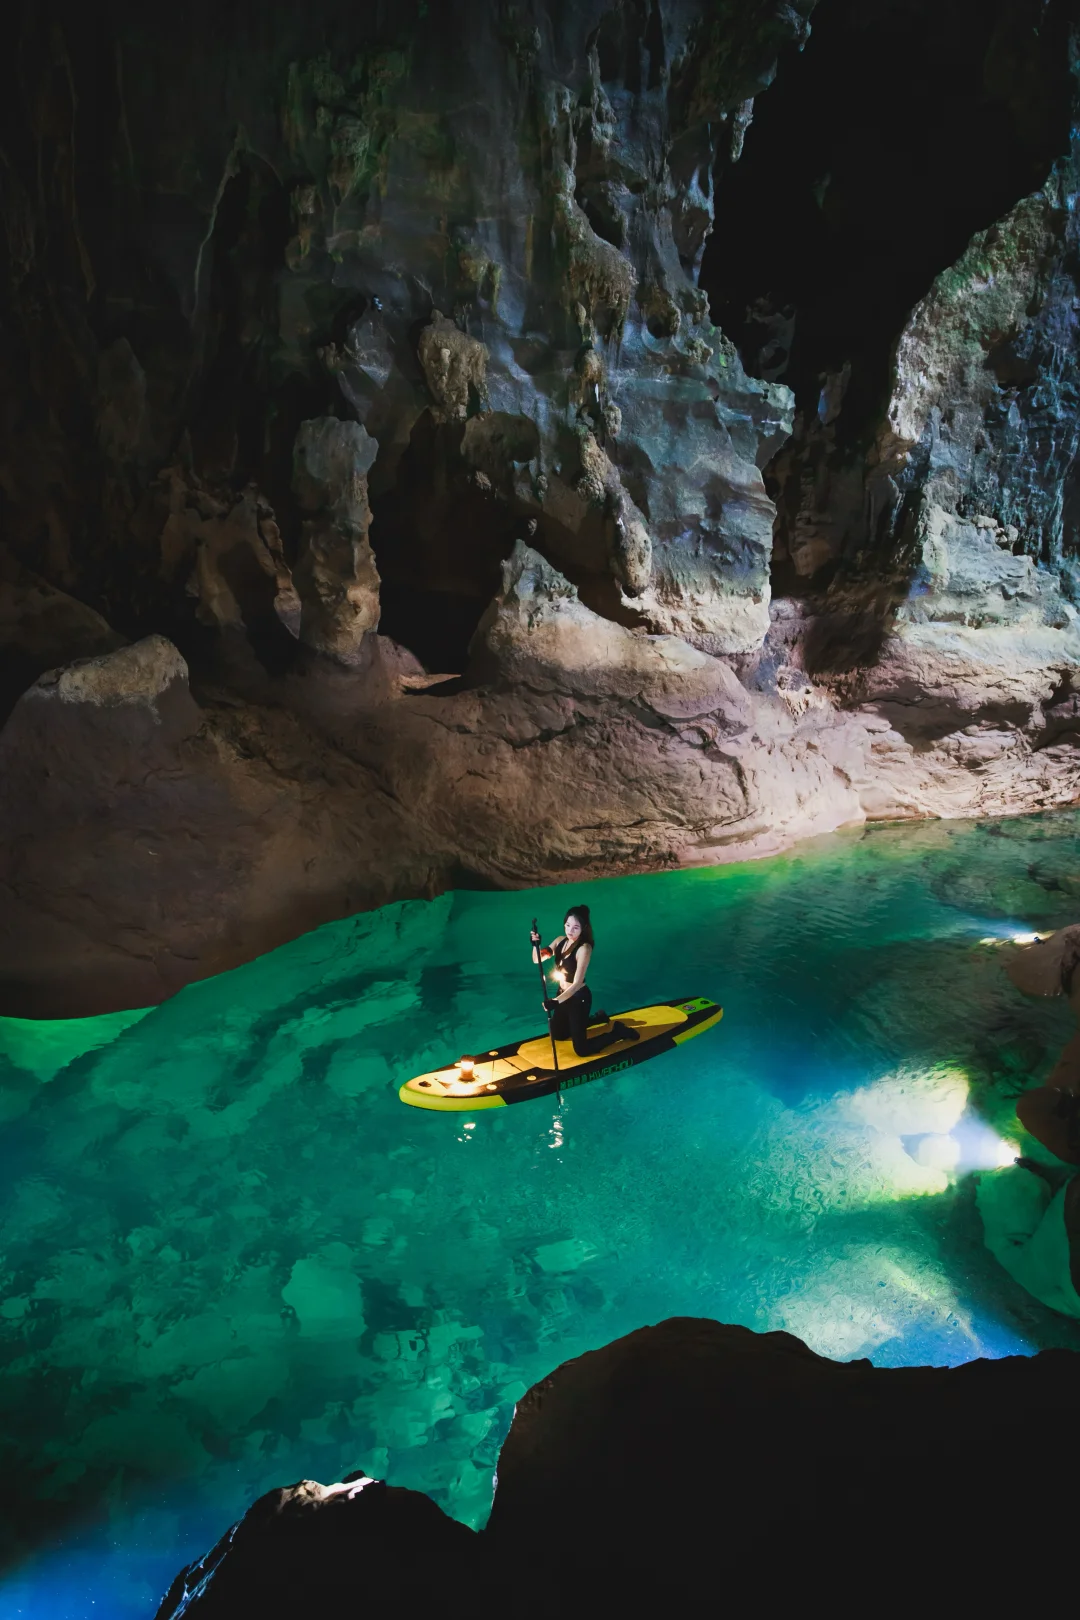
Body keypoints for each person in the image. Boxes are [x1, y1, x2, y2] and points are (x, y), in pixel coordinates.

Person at [531, 905, 638, 1057]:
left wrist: (555, 1001)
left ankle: (618, 1032)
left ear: (584, 928)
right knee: (558, 1035)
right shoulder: (560, 941)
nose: (570, 931)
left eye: (575, 927)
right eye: (567, 925)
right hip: (562, 995)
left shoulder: (584, 949)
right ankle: (596, 1019)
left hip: (578, 998)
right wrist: (536, 944)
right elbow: (537, 960)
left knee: (582, 1050)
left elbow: (576, 985)